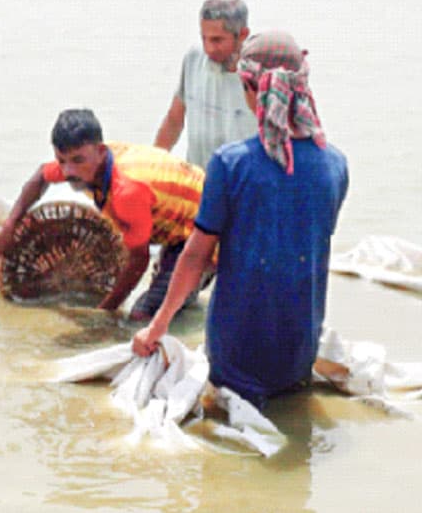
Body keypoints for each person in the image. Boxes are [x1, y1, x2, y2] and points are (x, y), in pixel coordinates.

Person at [132, 31, 349, 410]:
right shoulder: (336, 164)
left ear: (253, 89)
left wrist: (157, 325)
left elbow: (196, 256)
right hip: (300, 349)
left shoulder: (232, 164)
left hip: (237, 352)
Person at [0, 109, 208, 321]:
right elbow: (41, 176)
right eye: (61, 160)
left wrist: (105, 313)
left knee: (142, 315)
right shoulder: (85, 164)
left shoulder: (126, 190)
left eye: (78, 160)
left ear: (101, 151)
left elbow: (139, 260)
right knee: (173, 295)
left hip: (209, 226)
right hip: (179, 222)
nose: (68, 172)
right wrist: (10, 225)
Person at [154, 0, 258, 169]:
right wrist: (152, 164)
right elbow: (174, 120)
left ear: (242, 35)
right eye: (204, 38)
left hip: (242, 189)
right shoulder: (194, 59)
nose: (209, 48)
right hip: (197, 184)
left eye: (217, 40)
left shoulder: (260, 77)